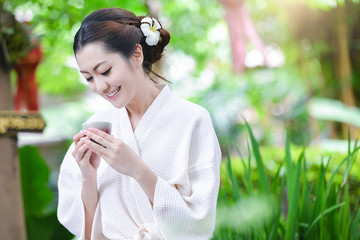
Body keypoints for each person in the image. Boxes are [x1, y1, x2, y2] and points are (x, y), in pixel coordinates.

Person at [57, 7, 221, 240]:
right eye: (89, 78)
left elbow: (199, 221)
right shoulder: (96, 126)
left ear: (136, 55)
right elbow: (84, 227)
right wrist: (87, 176)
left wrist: (137, 169)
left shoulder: (193, 120)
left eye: (105, 71)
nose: (100, 86)